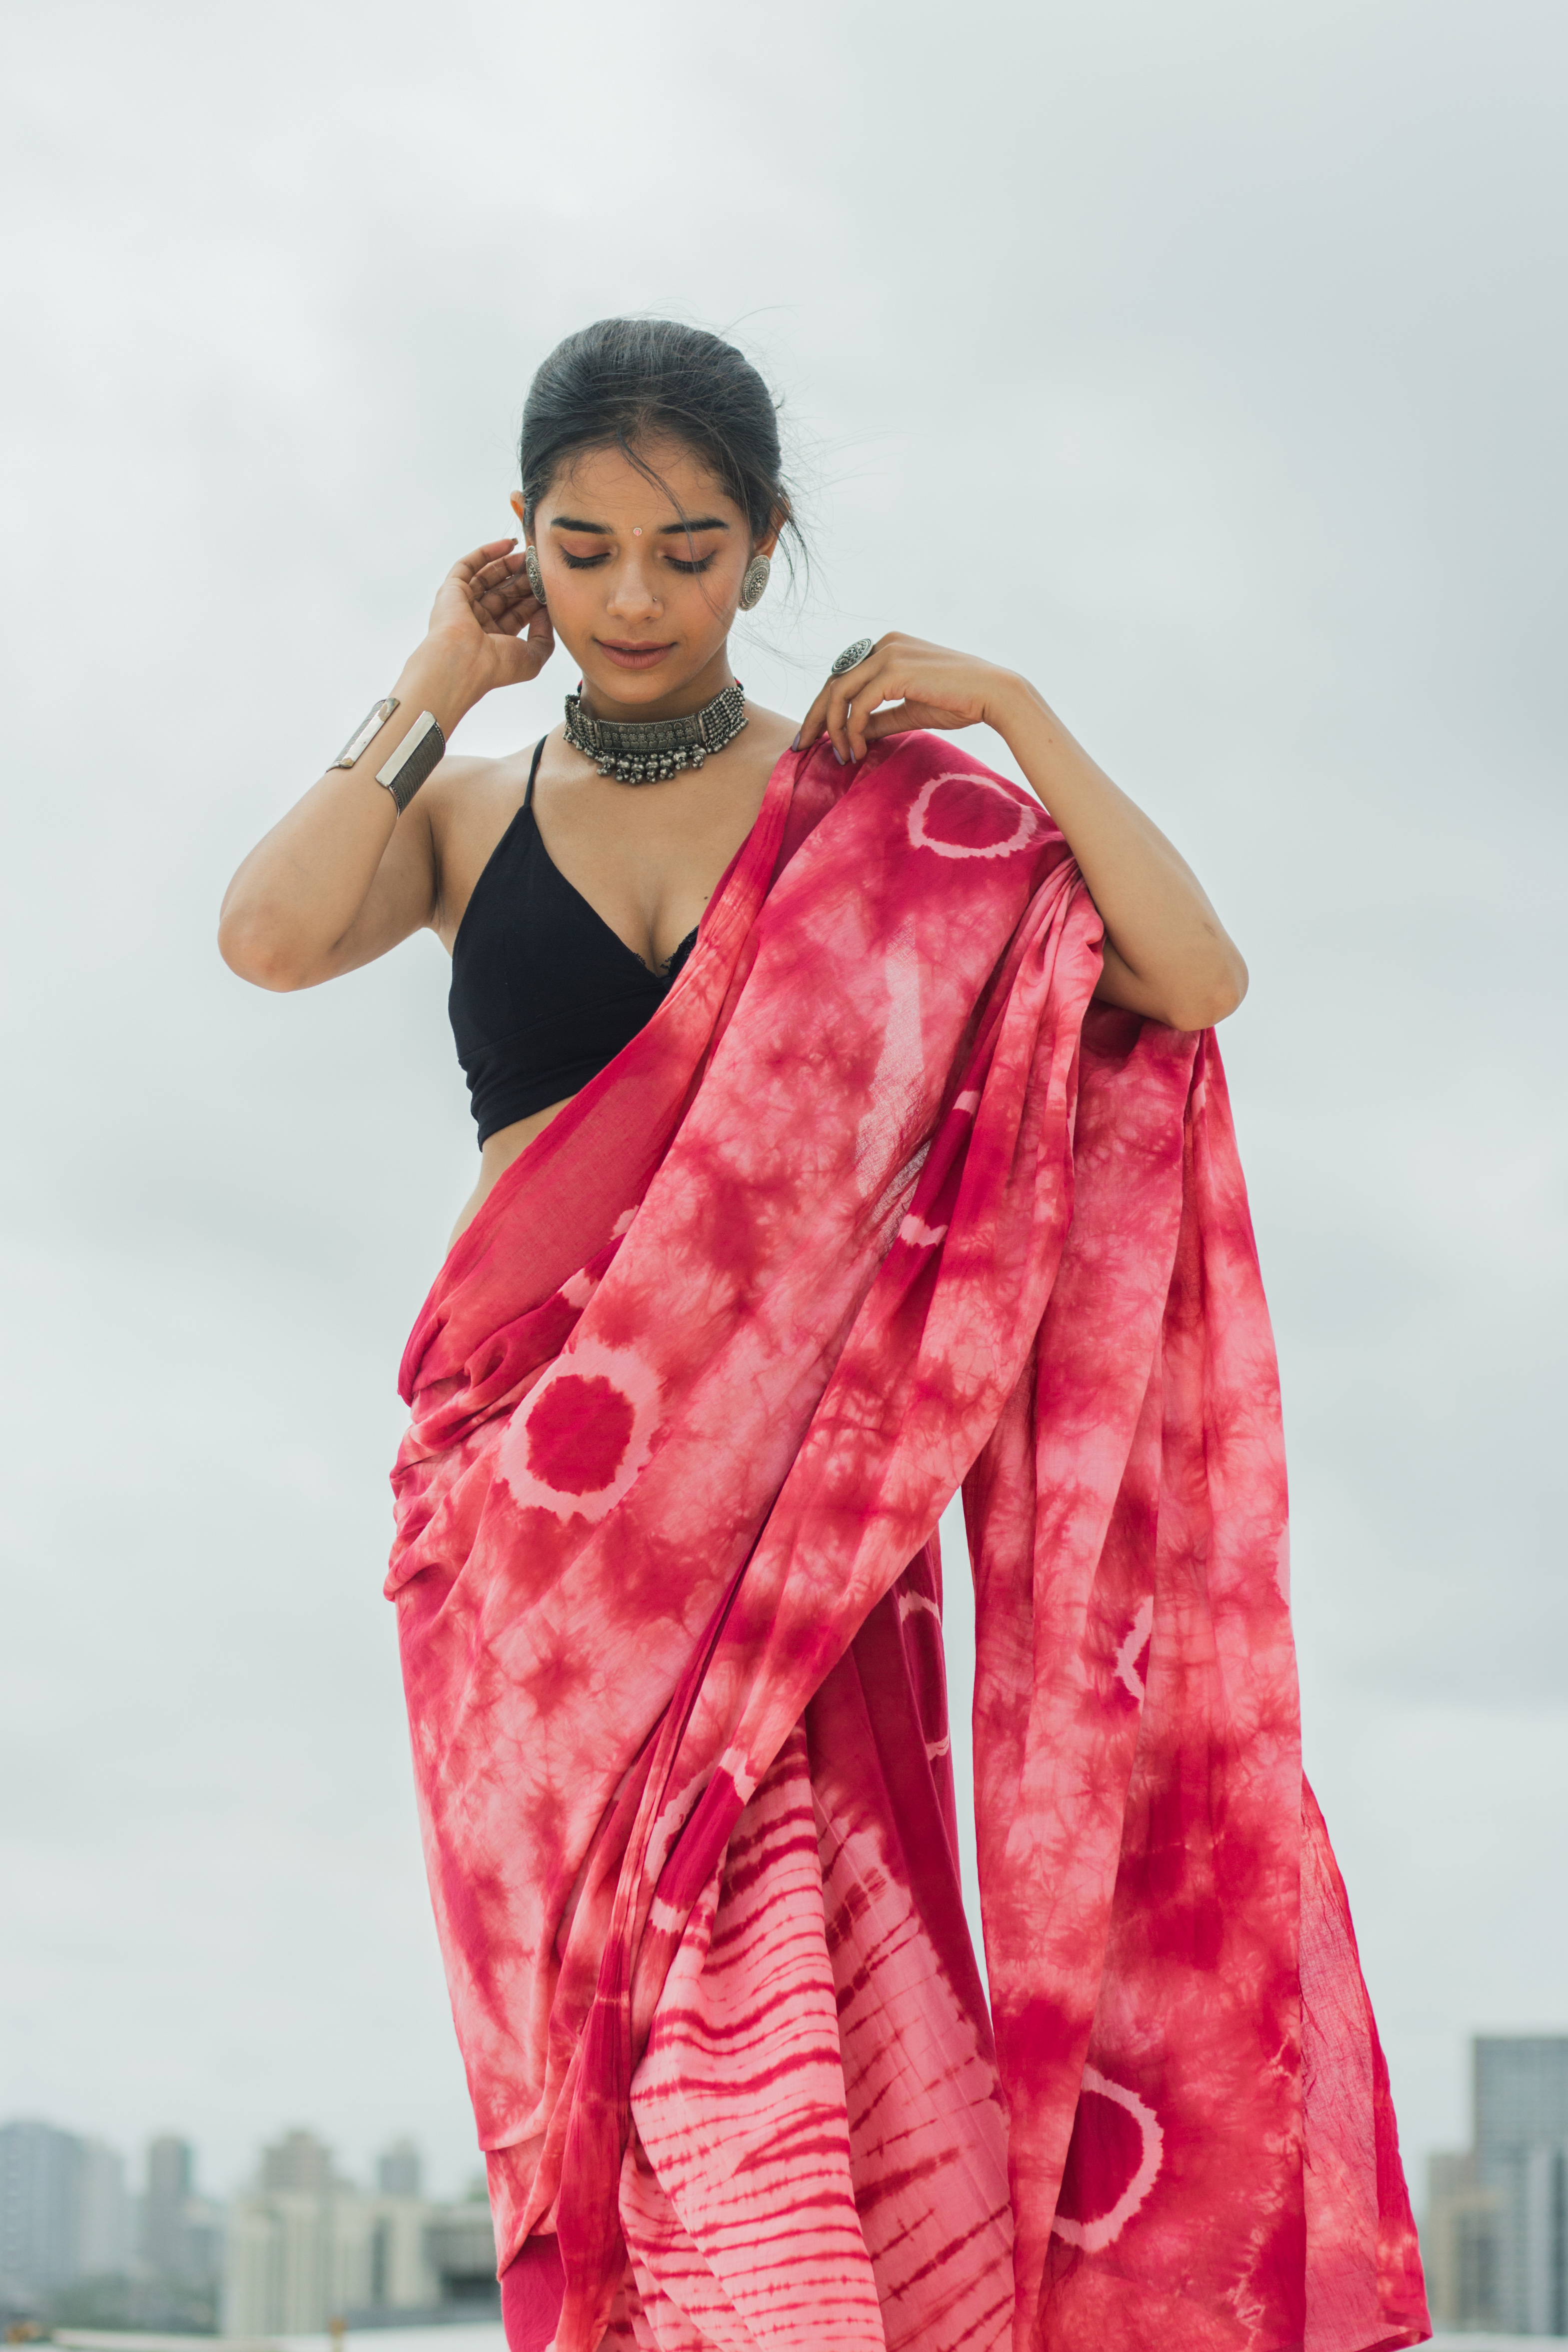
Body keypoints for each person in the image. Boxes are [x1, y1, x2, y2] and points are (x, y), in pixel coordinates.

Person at [220, 320, 1428, 2352]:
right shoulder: (466, 810)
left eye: (686, 550)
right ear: (519, 543)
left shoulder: (891, 818)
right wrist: (432, 684)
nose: (631, 597)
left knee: (787, 2073)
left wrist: (1017, 712)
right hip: (522, 1537)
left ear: (764, 544)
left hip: (791, 1554)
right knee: (594, 2074)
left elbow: (1187, 974)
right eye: (583, 549)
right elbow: (265, 936)